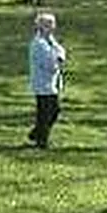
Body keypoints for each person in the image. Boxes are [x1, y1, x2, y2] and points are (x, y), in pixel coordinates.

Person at [27, 12, 66, 149]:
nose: (52, 27)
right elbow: (49, 62)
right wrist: (57, 61)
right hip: (42, 83)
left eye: (52, 24)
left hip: (51, 83)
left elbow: (61, 51)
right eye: (48, 25)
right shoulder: (39, 44)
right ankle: (41, 140)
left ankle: (36, 133)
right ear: (40, 26)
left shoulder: (50, 40)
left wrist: (59, 58)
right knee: (46, 112)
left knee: (54, 111)